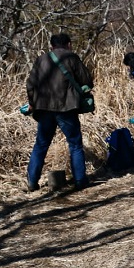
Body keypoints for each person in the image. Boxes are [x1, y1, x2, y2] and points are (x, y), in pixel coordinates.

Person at [25, 32, 94, 192]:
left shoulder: (41, 59)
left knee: (41, 145)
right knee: (75, 145)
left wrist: (32, 103)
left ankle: (32, 182)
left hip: (44, 108)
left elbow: (30, 84)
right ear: (69, 44)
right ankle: (80, 181)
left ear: (51, 46)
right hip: (66, 108)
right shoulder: (72, 57)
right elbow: (87, 80)